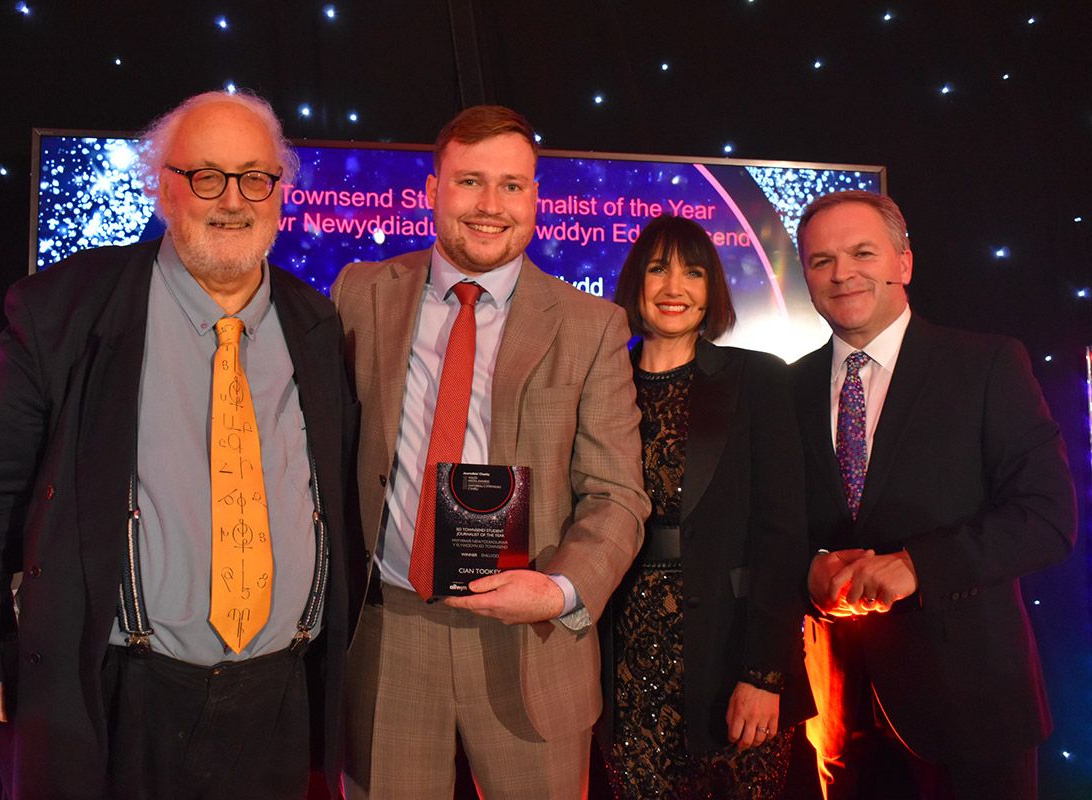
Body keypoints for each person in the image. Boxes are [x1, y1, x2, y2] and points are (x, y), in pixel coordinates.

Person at [0, 90, 360, 800]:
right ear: (162, 186)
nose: (233, 200)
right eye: (206, 176)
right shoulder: (62, 310)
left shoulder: (315, 324)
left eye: (256, 177)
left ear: (280, 192)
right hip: (113, 696)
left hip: (277, 701)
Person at [331, 104, 649, 798]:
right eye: (470, 181)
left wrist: (560, 590)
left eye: (511, 185)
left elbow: (617, 495)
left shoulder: (591, 326)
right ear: (432, 189)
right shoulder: (360, 295)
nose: (490, 205)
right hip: (390, 636)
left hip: (528, 645)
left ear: (535, 198)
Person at [792, 190, 1077, 800]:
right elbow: (771, 527)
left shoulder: (987, 365)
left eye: (862, 252)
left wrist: (919, 566)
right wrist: (806, 572)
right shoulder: (786, 389)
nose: (842, 273)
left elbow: (1047, 518)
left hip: (974, 709)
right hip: (840, 714)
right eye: (821, 261)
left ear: (904, 263)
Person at [599, 215, 815, 799]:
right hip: (623, 660)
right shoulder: (598, 380)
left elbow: (782, 533)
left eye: (693, 272)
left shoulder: (757, 379)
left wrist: (763, 674)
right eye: (657, 269)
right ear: (633, 283)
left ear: (711, 288)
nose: (675, 287)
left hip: (733, 652)